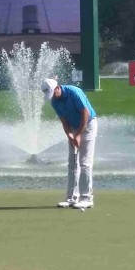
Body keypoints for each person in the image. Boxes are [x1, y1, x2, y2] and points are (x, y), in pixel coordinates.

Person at [42, 78, 98, 210]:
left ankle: (86, 198)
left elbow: (86, 113)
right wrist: (71, 136)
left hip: (88, 125)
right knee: (73, 163)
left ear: (57, 87)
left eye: (52, 93)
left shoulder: (74, 92)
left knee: (84, 162)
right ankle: (72, 197)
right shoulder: (54, 102)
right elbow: (64, 121)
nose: (52, 97)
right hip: (73, 127)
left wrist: (78, 134)